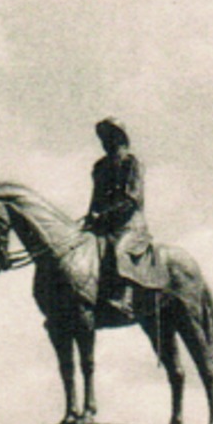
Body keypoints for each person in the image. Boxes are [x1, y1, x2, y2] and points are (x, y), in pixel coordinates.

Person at [82, 117, 153, 322]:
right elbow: (95, 198)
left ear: (121, 138)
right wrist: (90, 218)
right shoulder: (100, 166)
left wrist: (106, 214)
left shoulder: (132, 163)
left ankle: (125, 299)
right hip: (103, 225)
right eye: (103, 137)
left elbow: (133, 198)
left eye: (110, 136)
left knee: (120, 249)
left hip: (130, 224)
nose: (105, 141)